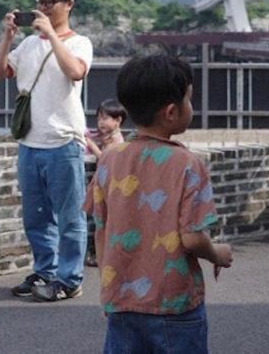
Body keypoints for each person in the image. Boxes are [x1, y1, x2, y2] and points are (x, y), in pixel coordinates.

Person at [84, 54, 233, 353]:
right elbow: (191, 238)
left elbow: (102, 229)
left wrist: (107, 289)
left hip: (122, 303)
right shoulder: (188, 164)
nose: (191, 106)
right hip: (174, 305)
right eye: (189, 99)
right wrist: (218, 254)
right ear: (170, 112)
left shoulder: (110, 159)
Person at [0, 0, 94, 302]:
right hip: (30, 141)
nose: (44, 6)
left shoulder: (80, 42)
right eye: (41, 1)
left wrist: (51, 35)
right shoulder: (29, 44)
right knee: (36, 216)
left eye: (51, 1)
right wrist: (7, 38)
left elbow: (76, 72)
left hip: (64, 141)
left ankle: (70, 279)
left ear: (69, 5)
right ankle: (45, 270)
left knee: (69, 217)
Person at [84, 98, 127, 267]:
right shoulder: (109, 136)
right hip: (105, 184)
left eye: (105, 118)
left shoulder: (117, 140)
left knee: (102, 221)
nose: (101, 122)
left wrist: (91, 144)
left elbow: (104, 158)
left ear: (118, 121)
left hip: (109, 186)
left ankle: (100, 255)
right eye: (99, 118)